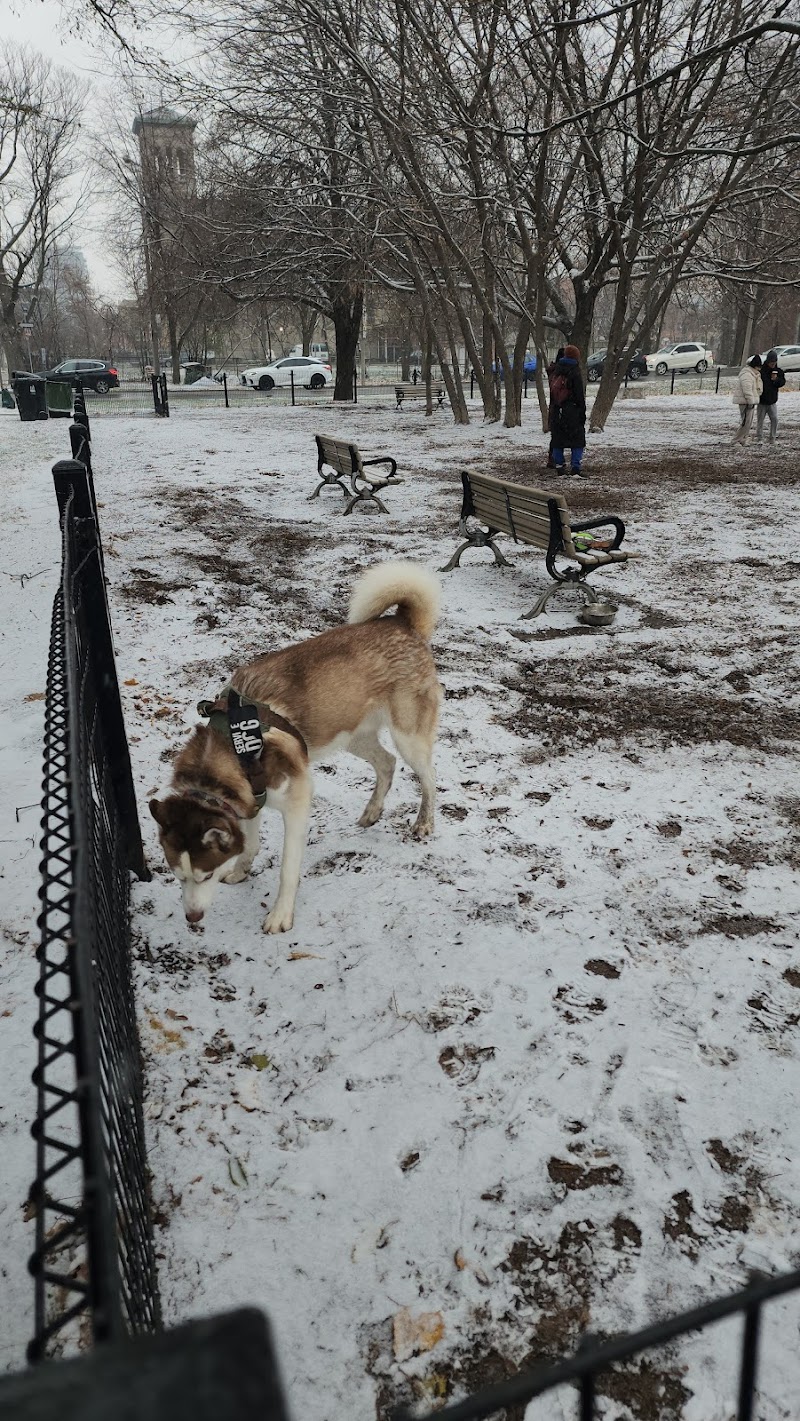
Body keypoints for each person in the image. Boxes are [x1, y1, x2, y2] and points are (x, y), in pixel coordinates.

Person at [549, 344, 587, 474]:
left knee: (557, 439)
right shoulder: (575, 372)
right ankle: (575, 466)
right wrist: (582, 412)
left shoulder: (556, 370)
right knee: (577, 440)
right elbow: (579, 395)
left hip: (557, 410)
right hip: (572, 411)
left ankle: (559, 465)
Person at [756, 350, 786, 444]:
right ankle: (759, 437)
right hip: (762, 400)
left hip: (772, 400)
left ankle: (772, 437)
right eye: (771, 362)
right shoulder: (761, 371)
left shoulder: (778, 371)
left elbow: (782, 382)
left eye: (774, 362)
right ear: (768, 361)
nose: (773, 364)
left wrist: (776, 380)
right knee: (760, 420)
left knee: (774, 419)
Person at [732, 355, 762, 445]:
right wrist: (750, 401)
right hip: (746, 402)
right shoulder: (747, 375)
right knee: (745, 422)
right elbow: (747, 389)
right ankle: (736, 440)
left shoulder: (753, 374)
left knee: (748, 423)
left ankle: (742, 438)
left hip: (749, 401)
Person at [545, 347, 565, 468]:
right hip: (558, 407)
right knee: (557, 435)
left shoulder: (553, 372)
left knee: (556, 435)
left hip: (554, 407)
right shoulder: (558, 374)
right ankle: (555, 458)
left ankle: (553, 458)